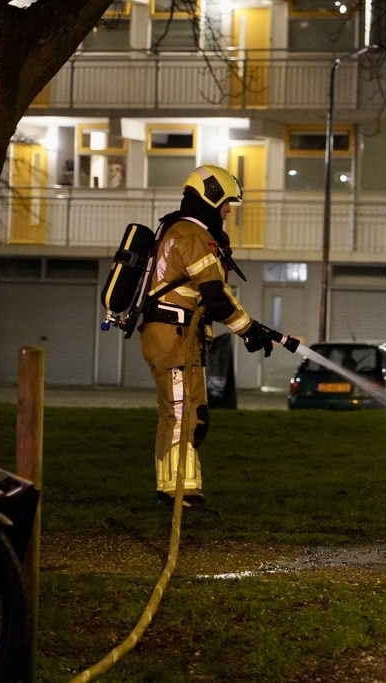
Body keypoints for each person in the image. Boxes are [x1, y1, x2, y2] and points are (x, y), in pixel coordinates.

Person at [139, 164, 277, 514]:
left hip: (176, 333)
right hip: (175, 334)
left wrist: (252, 328)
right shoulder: (193, 235)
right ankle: (177, 495)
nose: (229, 210)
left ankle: (181, 491)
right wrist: (248, 330)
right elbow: (215, 296)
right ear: (211, 197)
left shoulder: (180, 230)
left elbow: (213, 298)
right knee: (183, 413)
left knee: (186, 413)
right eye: (227, 203)